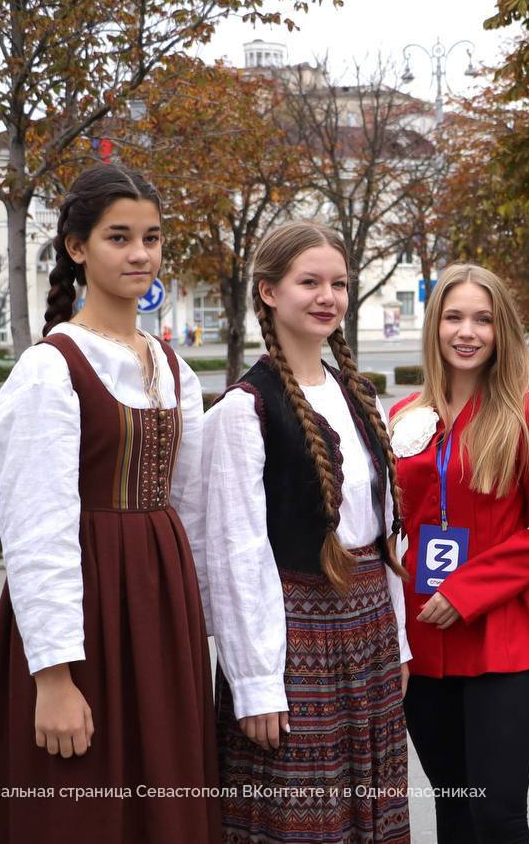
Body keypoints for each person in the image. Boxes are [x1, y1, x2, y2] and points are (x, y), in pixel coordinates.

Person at [0, 164, 217, 843]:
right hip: (89, 612)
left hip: (161, 608)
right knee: (81, 806)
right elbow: (35, 527)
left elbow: (191, 510)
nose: (140, 253)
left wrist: (207, 633)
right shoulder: (52, 369)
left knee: (165, 794)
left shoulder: (171, 366)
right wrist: (52, 674)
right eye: (119, 237)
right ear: (77, 247)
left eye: (153, 238)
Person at [202, 220, 411, 842]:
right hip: (292, 637)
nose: (328, 296)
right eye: (309, 282)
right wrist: (254, 682)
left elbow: (383, 534)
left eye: (339, 284)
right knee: (301, 820)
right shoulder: (245, 410)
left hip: (369, 623)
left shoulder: (358, 394)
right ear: (268, 291)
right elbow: (235, 555)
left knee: (370, 812)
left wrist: (397, 641)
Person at [389, 264, 529, 843]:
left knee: (496, 816)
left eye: (482, 319)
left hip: (503, 639)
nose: (466, 332)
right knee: (453, 812)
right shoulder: (402, 418)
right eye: (453, 317)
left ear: (502, 332)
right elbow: (392, 520)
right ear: (434, 325)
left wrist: (467, 590)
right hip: (422, 641)